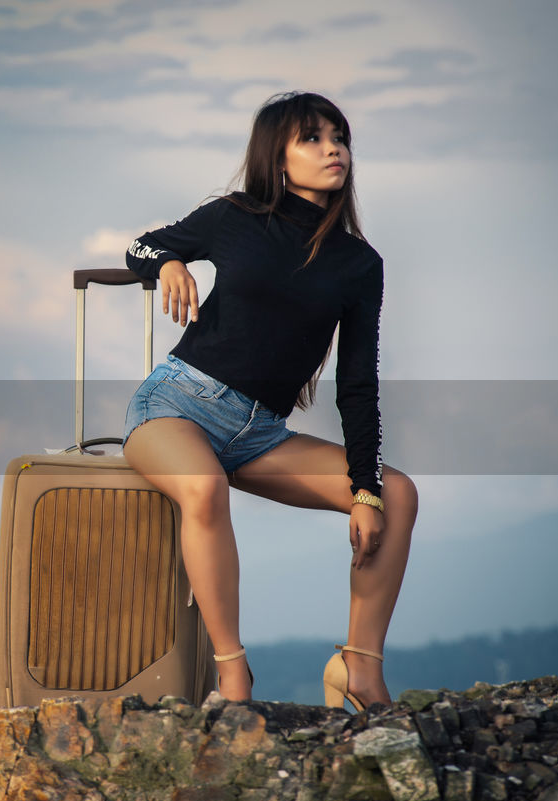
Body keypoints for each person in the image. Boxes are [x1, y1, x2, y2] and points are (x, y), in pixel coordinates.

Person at [121, 91, 418, 709]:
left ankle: (359, 669)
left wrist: (364, 489)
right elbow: (142, 246)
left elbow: (359, 382)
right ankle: (234, 677)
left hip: (259, 435)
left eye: (340, 137)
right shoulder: (235, 216)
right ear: (277, 157)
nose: (333, 147)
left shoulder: (360, 264)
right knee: (203, 487)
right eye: (312, 137)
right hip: (175, 407)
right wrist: (171, 262)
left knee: (396, 494)